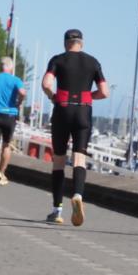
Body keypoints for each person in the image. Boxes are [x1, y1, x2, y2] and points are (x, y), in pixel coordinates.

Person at [40, 29, 109, 226]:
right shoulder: (93, 62)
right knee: (79, 158)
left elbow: (46, 83)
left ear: (65, 43)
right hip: (83, 112)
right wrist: (89, 96)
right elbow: (104, 92)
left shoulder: (58, 60)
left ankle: (57, 210)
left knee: (59, 161)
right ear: (82, 43)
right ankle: (78, 195)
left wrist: (52, 96)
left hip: (62, 110)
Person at [0, 56, 26, 186]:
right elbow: (23, 93)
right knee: (6, 145)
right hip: (10, 115)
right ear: (11, 67)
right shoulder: (16, 80)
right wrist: (18, 102)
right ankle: (2, 173)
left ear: (0, 67)